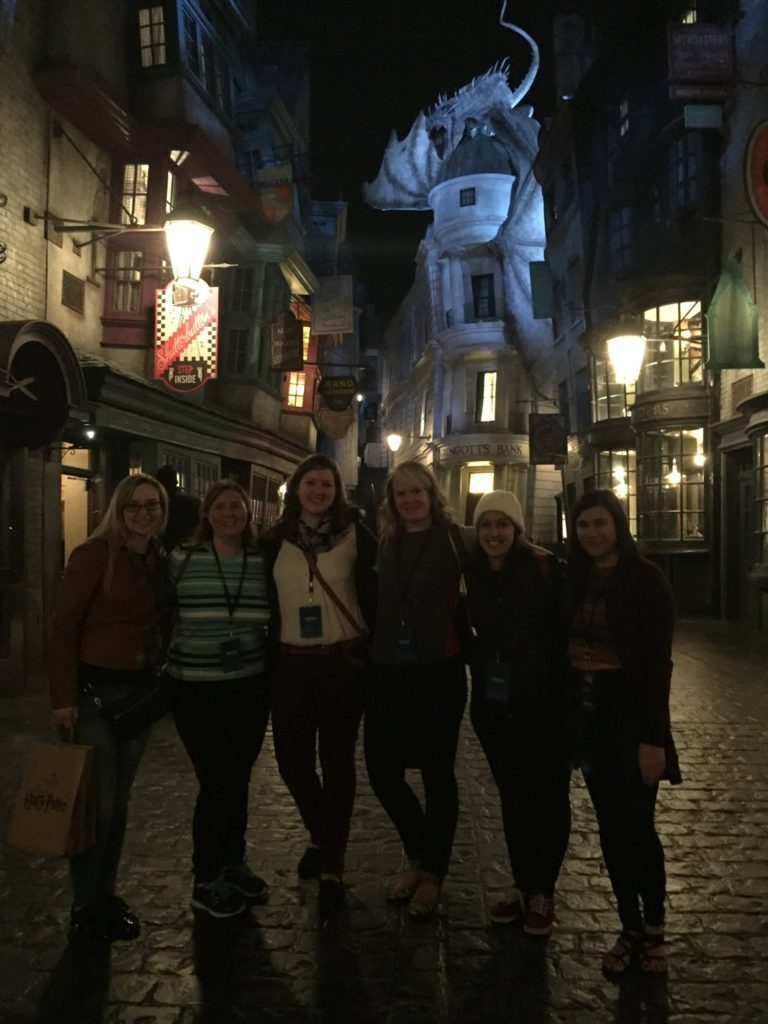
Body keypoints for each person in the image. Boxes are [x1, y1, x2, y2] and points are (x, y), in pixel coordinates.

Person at [49, 473, 169, 946]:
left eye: (152, 505)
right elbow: (63, 628)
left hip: (136, 700)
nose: (143, 513)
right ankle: (85, 903)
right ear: (117, 512)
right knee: (95, 806)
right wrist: (62, 698)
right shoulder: (93, 557)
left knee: (118, 803)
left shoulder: (158, 560)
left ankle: (105, 893)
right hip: (94, 698)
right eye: (134, 506)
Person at [566, 489, 681, 976]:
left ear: (617, 526)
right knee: (610, 828)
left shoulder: (645, 578)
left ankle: (654, 930)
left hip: (629, 717)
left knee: (637, 824)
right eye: (584, 525)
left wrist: (653, 738)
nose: (592, 533)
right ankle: (628, 927)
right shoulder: (576, 576)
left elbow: (657, 665)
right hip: (589, 717)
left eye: (600, 523)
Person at [260, 454, 377, 911]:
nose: (319, 492)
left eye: (327, 485)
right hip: (290, 665)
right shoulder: (273, 541)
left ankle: (333, 859)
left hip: (342, 662)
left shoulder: (357, 537)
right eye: (311, 483)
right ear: (297, 488)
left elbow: (376, 594)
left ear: (337, 491)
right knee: (292, 762)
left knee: (338, 761)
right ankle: (321, 834)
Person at [366, 461, 470, 918]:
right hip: (388, 669)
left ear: (431, 493)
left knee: (436, 774)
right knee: (382, 771)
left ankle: (431, 873)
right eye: (400, 493)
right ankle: (419, 851)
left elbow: (504, 552)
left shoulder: (454, 539)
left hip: (438, 670)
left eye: (416, 492)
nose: (409, 500)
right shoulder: (386, 543)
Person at [466, 491, 572, 936]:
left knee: (547, 797)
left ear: (517, 529)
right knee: (512, 796)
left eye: (502, 525)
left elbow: (564, 636)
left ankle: (543, 889)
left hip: (543, 704)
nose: (494, 533)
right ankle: (521, 883)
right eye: (486, 524)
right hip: (494, 706)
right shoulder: (471, 573)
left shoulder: (547, 570)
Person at [166, 480, 271, 919]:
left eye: (238, 507)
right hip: (194, 686)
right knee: (215, 779)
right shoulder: (181, 560)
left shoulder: (260, 562)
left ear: (248, 516)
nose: (231, 514)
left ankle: (233, 862)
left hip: (248, 685)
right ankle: (205, 876)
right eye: (221, 507)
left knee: (239, 776)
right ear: (207, 515)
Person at [155, 464, 201, 552]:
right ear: (176, 482)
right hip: (188, 547)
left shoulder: (159, 504)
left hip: (166, 548)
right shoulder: (193, 502)